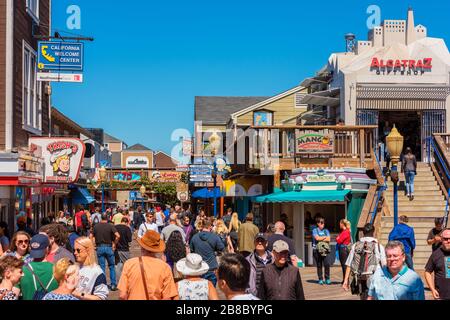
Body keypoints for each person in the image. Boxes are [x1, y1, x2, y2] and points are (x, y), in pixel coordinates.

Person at [118, 230, 179, 300]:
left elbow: (122, 295)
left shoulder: (129, 264)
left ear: (142, 246)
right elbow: (167, 297)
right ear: (156, 249)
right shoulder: (165, 267)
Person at [343, 223, 386, 300]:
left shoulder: (355, 245)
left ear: (363, 233)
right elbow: (384, 265)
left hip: (360, 277)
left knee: (363, 297)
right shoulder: (378, 246)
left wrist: (346, 280)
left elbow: (349, 264)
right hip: (374, 277)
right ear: (373, 232)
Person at [16, 234, 58, 300]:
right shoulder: (57, 269)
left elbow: (14, 293)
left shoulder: (21, 270)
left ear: (30, 248)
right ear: (47, 248)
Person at [190, 217, 225, 287]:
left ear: (202, 226)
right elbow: (222, 248)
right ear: (210, 226)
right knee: (211, 291)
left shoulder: (194, 237)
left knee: (200, 291)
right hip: (211, 268)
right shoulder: (215, 237)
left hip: (199, 268)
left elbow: (192, 251)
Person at [91, 213, 120, 291]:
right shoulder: (110, 226)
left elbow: (91, 236)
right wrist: (114, 243)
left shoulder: (96, 226)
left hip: (99, 247)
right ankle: (113, 284)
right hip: (109, 247)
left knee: (102, 267)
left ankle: (102, 284)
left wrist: (93, 244)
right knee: (111, 266)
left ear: (101, 218)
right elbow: (118, 235)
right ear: (107, 218)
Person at [424, 228, 450, 300]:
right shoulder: (436, 254)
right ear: (441, 239)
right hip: (441, 296)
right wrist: (432, 289)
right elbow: (427, 272)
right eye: (445, 239)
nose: (448, 241)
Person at [312, 217, 331, 285]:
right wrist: (324, 238)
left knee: (327, 264)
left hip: (325, 250)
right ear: (318, 223)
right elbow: (317, 238)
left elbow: (329, 239)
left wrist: (321, 238)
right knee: (319, 265)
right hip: (317, 250)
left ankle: (327, 278)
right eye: (321, 223)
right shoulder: (315, 230)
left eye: (323, 222)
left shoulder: (326, 230)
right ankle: (320, 279)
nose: (323, 224)